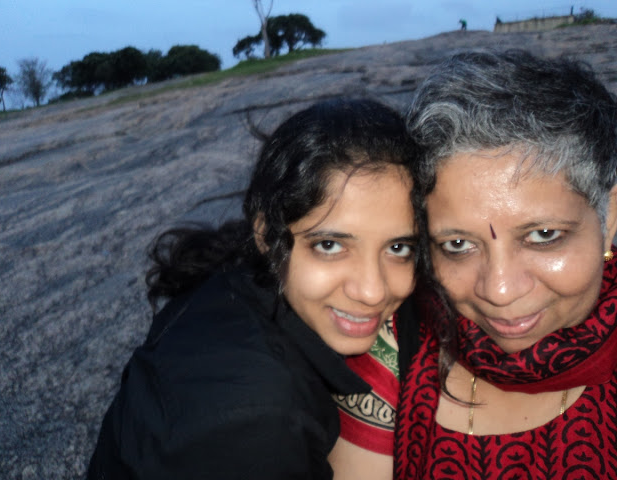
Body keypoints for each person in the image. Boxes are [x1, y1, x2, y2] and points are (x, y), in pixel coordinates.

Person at [86, 97, 422, 479]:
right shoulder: (258, 422)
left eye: (399, 248)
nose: (373, 291)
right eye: (330, 246)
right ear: (266, 235)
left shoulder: (234, 282)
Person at [331, 50, 617, 479]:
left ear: (609, 217)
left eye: (543, 235)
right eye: (458, 244)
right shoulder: (390, 347)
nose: (499, 291)